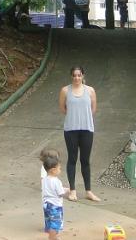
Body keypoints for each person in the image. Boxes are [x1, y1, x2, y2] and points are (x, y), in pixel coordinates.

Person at [58, 65, 100, 202]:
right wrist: (74, 117)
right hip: (71, 130)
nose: (77, 78)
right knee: (72, 159)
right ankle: (72, 190)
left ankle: (88, 191)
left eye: (79, 75)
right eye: (74, 75)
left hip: (87, 129)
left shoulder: (90, 91)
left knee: (85, 160)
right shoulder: (65, 90)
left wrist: (83, 118)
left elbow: (93, 109)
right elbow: (63, 108)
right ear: (72, 76)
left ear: (83, 76)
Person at [41, 155, 70, 240]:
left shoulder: (44, 180)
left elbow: (52, 190)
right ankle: (52, 238)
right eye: (59, 168)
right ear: (53, 170)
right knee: (55, 223)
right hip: (55, 206)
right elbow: (60, 193)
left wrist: (65, 189)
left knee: (49, 222)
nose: (60, 170)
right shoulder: (56, 181)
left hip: (46, 204)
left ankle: (54, 237)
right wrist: (67, 191)